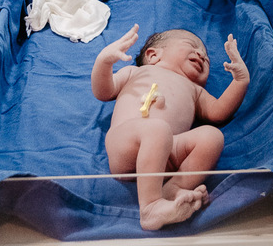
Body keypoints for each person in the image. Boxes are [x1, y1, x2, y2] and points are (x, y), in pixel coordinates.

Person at [91, 24, 250, 231]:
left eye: (207, 59)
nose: (201, 55)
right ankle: (150, 208)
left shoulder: (195, 90)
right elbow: (103, 91)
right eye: (192, 45)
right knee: (158, 129)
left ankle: (172, 191)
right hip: (126, 143)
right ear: (153, 55)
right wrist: (104, 61)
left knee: (212, 137)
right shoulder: (135, 72)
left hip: (167, 152)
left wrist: (240, 81)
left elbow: (218, 112)